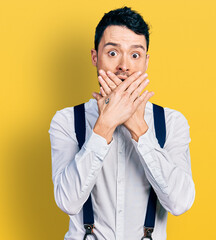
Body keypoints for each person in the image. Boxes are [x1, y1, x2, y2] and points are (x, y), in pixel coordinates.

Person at [49, 6, 195, 240]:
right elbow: (68, 201)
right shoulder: (66, 121)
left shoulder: (171, 122)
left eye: (135, 55)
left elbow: (179, 203)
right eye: (113, 53)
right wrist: (104, 126)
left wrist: (139, 128)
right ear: (95, 57)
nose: (124, 66)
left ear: (146, 62)